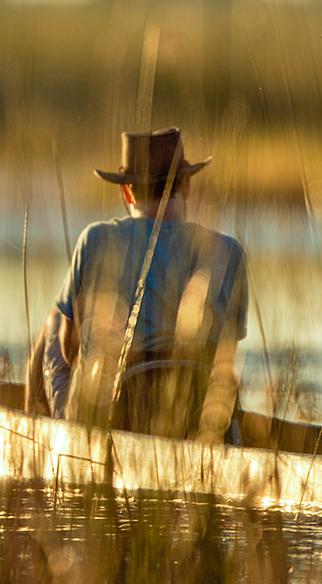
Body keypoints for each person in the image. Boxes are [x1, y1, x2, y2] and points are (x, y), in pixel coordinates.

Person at [26, 127, 248, 442]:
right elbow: (225, 358)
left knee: (54, 324)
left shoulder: (95, 238)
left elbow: (69, 348)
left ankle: (40, 447)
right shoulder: (228, 251)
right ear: (186, 185)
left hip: (115, 419)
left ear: (126, 192)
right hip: (198, 422)